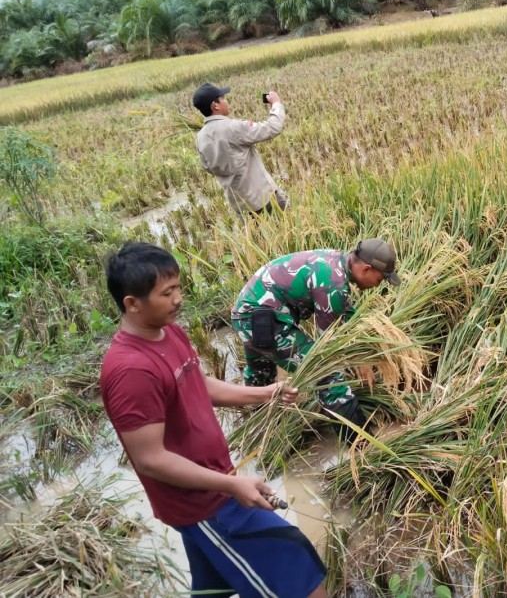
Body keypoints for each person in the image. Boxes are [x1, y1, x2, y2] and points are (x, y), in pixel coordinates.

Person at [100, 241, 327, 598]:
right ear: (132, 303)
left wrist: (265, 394)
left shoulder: (168, 331)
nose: (178, 298)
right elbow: (150, 459)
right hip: (204, 504)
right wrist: (233, 486)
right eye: (167, 292)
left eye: (178, 287)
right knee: (297, 567)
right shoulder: (131, 370)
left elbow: (199, 385)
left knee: (213, 589)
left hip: (217, 482)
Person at [231, 238, 401, 430]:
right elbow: (326, 347)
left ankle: (259, 425)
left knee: (260, 371)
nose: (378, 285)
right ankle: (359, 441)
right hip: (260, 320)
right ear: (366, 269)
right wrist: (358, 362)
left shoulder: (335, 261)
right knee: (326, 374)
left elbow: (344, 313)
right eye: (380, 279)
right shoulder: (333, 285)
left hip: (249, 313)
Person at [192, 82, 288, 216]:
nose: (226, 101)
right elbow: (272, 128)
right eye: (223, 98)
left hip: (239, 204)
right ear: (215, 105)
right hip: (263, 199)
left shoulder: (200, 137)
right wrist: (276, 104)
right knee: (288, 225)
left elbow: (207, 166)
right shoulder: (233, 127)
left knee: (257, 235)